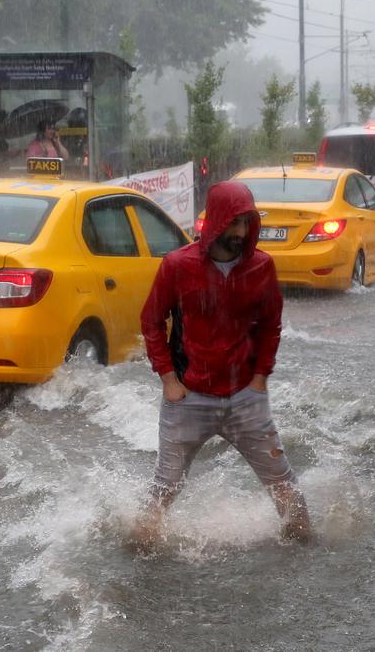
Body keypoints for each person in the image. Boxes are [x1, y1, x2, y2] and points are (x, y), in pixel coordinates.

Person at [133, 180, 312, 549]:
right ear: (215, 221)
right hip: (188, 397)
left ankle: (307, 553)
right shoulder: (177, 266)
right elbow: (151, 321)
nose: (241, 233)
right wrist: (168, 378)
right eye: (234, 223)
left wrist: (261, 377)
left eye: (246, 223)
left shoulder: (262, 267)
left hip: (246, 398)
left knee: (284, 486)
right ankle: (137, 554)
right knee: (164, 489)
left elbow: (271, 326)